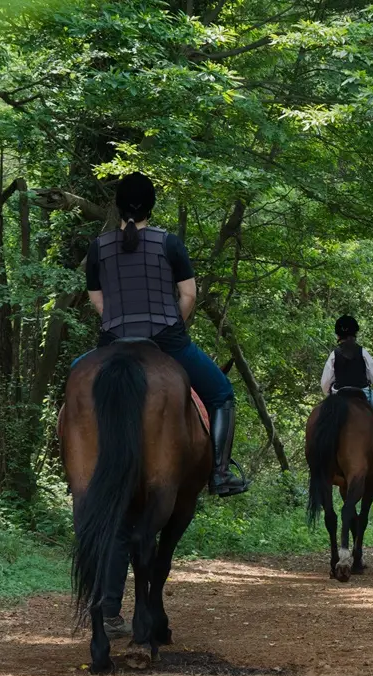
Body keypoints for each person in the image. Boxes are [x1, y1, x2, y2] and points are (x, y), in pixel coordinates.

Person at [81, 172, 249, 636]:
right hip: (165, 340)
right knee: (220, 394)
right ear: (152, 205)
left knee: (74, 389)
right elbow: (188, 295)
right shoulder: (169, 243)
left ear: (117, 206)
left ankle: (75, 457)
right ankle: (218, 470)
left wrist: (120, 324)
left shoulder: (99, 248)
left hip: (113, 339)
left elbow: (98, 300)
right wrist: (168, 329)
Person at [320, 315, 373, 452]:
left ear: (338, 334)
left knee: (322, 415)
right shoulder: (362, 352)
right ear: (355, 333)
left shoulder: (334, 354)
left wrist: (328, 391)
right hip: (362, 393)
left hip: (339, 395)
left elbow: (325, 381)